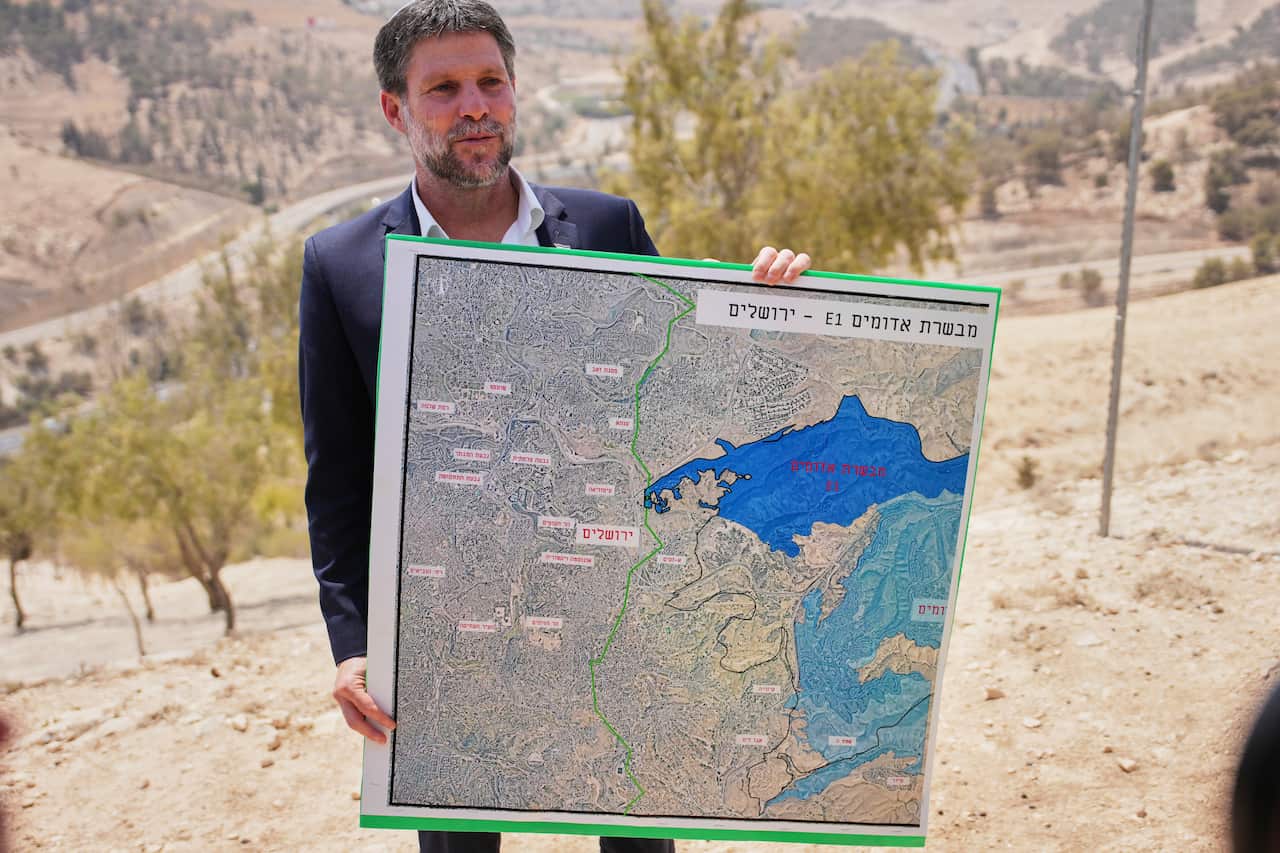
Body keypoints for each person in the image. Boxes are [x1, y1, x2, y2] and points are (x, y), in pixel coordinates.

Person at [298, 2, 811, 851]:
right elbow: (340, 478)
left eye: (490, 81)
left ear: (514, 89)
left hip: (615, 600)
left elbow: (688, 394)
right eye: (444, 89)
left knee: (637, 821)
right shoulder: (342, 264)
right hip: (449, 623)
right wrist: (353, 646)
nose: (475, 106)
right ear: (395, 109)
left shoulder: (610, 227)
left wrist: (772, 313)